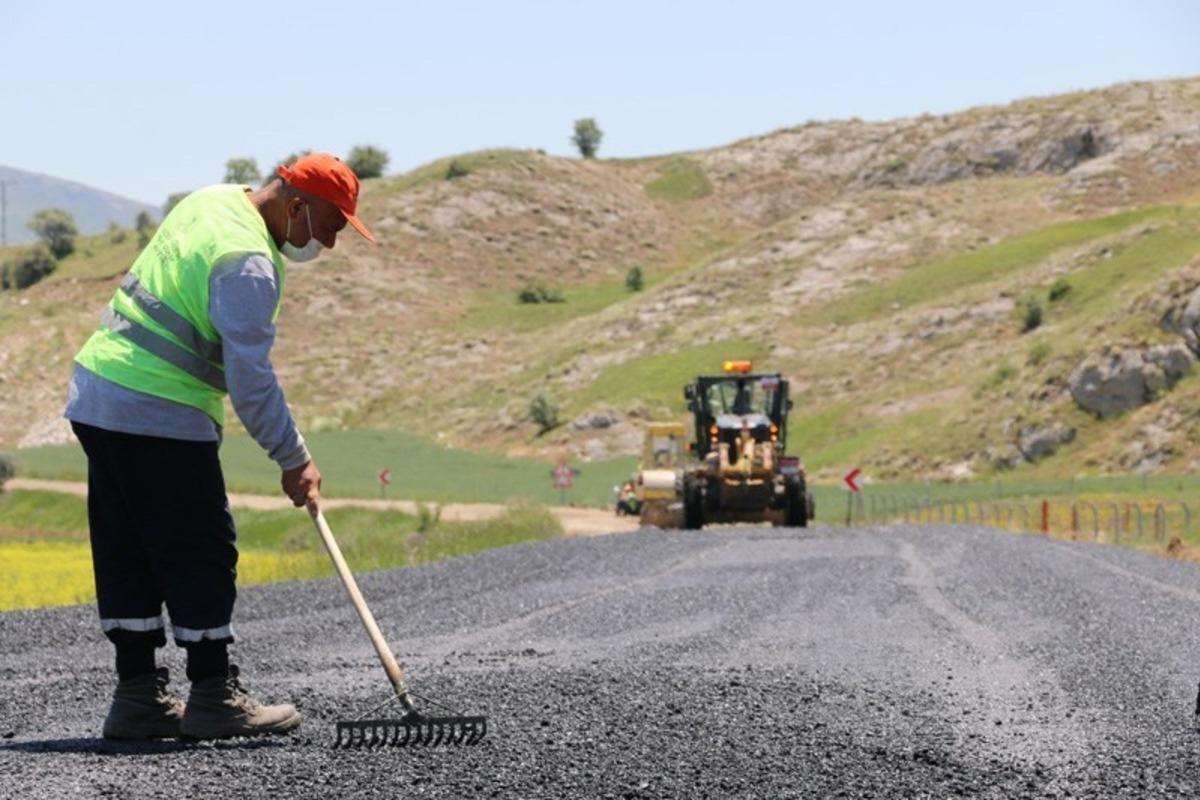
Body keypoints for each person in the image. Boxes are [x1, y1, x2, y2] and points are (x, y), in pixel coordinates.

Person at [63, 153, 376, 740]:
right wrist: (294, 458)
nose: (329, 245)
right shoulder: (249, 262)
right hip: (157, 408)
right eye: (331, 227)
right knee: (200, 547)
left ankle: (137, 696)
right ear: (297, 204)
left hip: (98, 395)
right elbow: (250, 380)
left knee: (127, 546)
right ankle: (212, 695)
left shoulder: (213, 199)